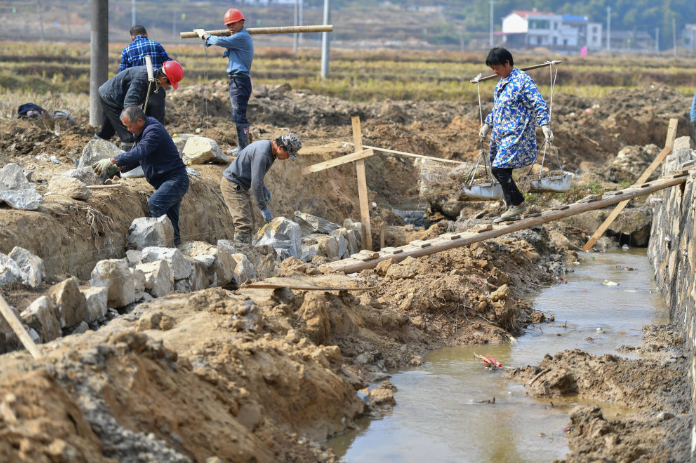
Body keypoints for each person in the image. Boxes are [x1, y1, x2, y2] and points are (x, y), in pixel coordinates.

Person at [92, 106, 189, 247]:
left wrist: (112, 160)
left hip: (175, 179)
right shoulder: (143, 130)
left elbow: (140, 151)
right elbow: (140, 158)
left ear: (139, 121)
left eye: (129, 126)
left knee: (155, 203)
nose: (128, 130)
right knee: (170, 215)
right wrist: (119, 168)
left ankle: (158, 245)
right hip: (168, 181)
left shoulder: (153, 131)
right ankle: (175, 245)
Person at [478, 47, 553, 223]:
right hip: (501, 134)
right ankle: (511, 208)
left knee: (499, 169)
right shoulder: (502, 83)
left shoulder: (523, 82)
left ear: (507, 63)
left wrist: (544, 124)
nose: (494, 71)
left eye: (497, 67)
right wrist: (487, 124)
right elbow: (498, 109)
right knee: (503, 169)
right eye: (492, 68)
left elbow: (538, 103)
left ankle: (518, 204)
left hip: (516, 133)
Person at [220, 133, 302, 244]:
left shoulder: (270, 150)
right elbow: (255, 183)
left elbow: (257, 174)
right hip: (233, 185)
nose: (287, 157)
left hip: (240, 185)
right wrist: (263, 207)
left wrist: (263, 188)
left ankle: (247, 250)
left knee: (250, 221)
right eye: (288, 154)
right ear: (281, 147)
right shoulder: (263, 154)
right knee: (244, 224)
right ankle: (240, 254)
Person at [194, 8, 254, 153]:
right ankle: (242, 146)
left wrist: (204, 35)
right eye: (228, 25)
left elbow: (219, 40)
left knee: (239, 115)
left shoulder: (241, 37)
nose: (230, 27)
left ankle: (243, 147)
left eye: (233, 24)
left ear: (241, 22)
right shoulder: (238, 38)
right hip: (237, 80)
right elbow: (227, 46)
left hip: (240, 81)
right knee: (237, 114)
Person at [95, 60, 184, 151]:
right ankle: (129, 163)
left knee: (107, 130)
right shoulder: (143, 78)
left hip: (119, 97)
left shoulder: (154, 80)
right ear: (164, 78)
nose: (167, 86)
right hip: (111, 97)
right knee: (129, 135)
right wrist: (135, 124)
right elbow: (129, 103)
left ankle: (94, 148)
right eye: (169, 83)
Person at [118, 24, 173, 123]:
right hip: (156, 86)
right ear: (146, 34)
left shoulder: (127, 50)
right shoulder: (156, 46)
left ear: (132, 37)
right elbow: (169, 64)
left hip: (137, 90)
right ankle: (155, 137)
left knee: (139, 121)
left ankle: (142, 138)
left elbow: (122, 74)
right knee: (157, 120)